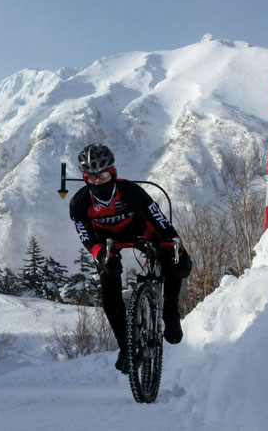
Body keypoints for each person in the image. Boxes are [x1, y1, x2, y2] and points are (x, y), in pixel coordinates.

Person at [69, 143, 192, 373]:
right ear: (85, 177)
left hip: (142, 233)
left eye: (103, 175)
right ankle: (126, 347)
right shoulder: (79, 203)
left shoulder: (131, 192)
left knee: (176, 262)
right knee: (109, 285)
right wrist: (101, 254)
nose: (98, 181)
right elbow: (86, 237)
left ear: (112, 173)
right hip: (107, 243)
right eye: (92, 176)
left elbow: (159, 220)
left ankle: (170, 312)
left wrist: (177, 247)